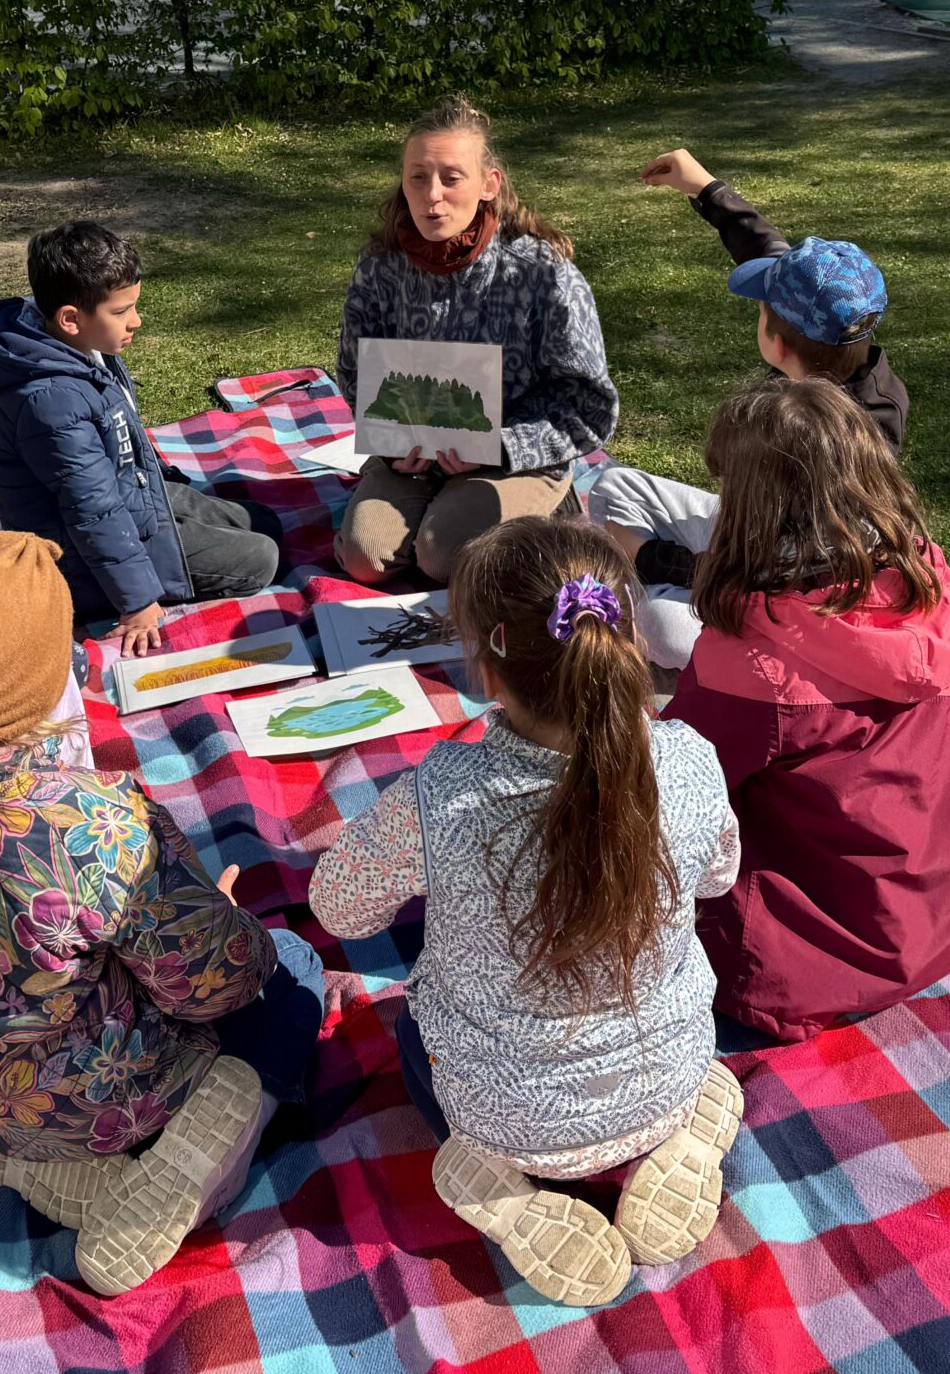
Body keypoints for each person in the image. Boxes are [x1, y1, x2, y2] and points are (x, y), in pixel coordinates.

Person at [0, 531, 326, 1296]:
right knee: (294, 970)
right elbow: (213, 985)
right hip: (119, 1096)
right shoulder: (96, 823)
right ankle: (193, 1160)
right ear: (37, 680)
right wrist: (228, 924)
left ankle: (14, 1158)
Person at [312, 518, 743, 1307]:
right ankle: (689, 1136)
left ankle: (502, 1190)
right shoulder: (689, 759)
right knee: (682, 1061)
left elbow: (339, 909)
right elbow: (718, 879)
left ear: (487, 666)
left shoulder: (439, 798)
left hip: (499, 1112)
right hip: (667, 1074)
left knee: (416, 1025)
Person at [666, 379, 950, 1043]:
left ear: (747, 508)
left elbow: (663, 790)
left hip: (822, 955)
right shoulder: (935, 584)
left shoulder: (754, 656)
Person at [588, 147, 906, 669]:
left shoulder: (828, 447)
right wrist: (706, 190)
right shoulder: (851, 349)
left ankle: (658, 618)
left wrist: (650, 558)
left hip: (796, 592)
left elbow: (772, 572)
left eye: (762, 309)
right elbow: (779, 256)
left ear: (778, 344)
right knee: (613, 485)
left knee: (663, 626)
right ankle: (643, 587)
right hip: (756, 536)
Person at [0, 221, 280, 658]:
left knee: (263, 520)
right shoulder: (48, 401)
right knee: (262, 558)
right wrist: (137, 601)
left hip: (130, 494)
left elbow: (118, 450)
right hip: (77, 557)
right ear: (70, 319)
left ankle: (180, 538)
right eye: (121, 311)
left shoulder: (83, 347)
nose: (137, 321)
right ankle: (136, 582)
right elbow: (91, 511)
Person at [335, 97, 618, 588]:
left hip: (516, 459)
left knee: (446, 554)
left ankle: (553, 501)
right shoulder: (380, 265)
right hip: (415, 460)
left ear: (489, 185)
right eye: (418, 177)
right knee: (365, 558)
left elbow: (588, 405)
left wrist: (502, 447)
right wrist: (390, 442)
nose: (432, 196)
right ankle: (434, 504)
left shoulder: (541, 274)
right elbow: (355, 371)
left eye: (452, 177)